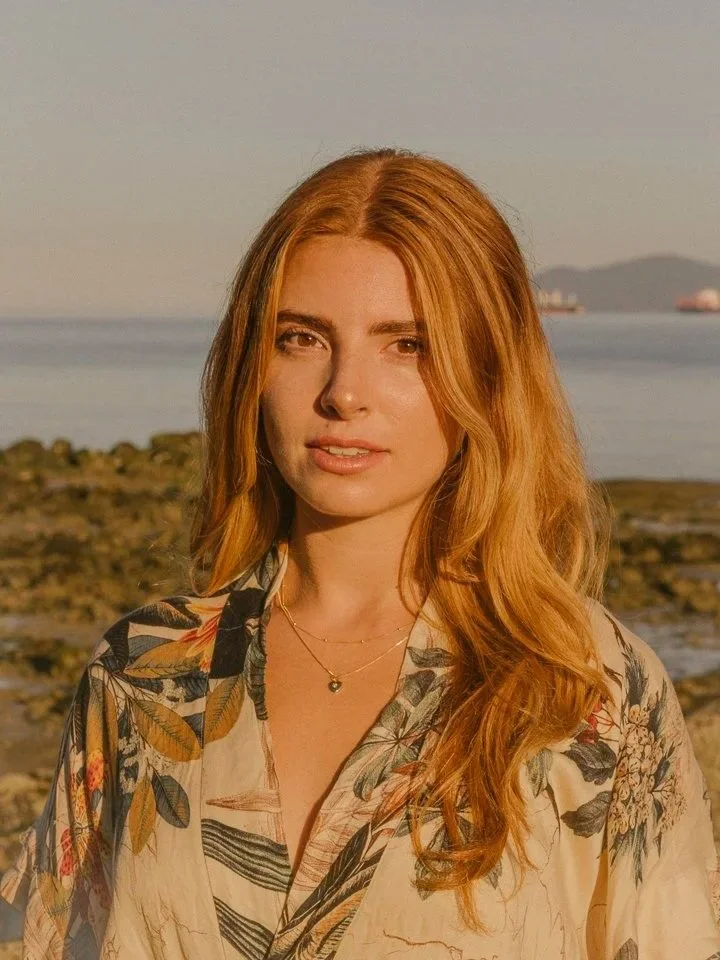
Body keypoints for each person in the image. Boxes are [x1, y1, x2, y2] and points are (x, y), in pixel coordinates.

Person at [1, 148, 718, 960]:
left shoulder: (587, 689)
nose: (344, 391)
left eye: (406, 344)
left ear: (488, 375)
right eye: (302, 338)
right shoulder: (144, 675)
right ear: (252, 366)